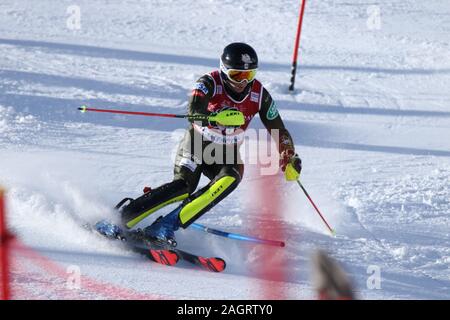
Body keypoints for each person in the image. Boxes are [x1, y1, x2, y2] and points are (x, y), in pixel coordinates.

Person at [97, 43, 302, 247]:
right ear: (223, 70)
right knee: (184, 186)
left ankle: (165, 226)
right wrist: (215, 118)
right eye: (237, 75)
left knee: (231, 177)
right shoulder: (208, 82)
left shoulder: (259, 95)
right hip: (197, 143)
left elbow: (279, 130)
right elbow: (193, 111)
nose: (243, 82)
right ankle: (118, 218)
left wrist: (289, 155)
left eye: (249, 75)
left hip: (226, 152)